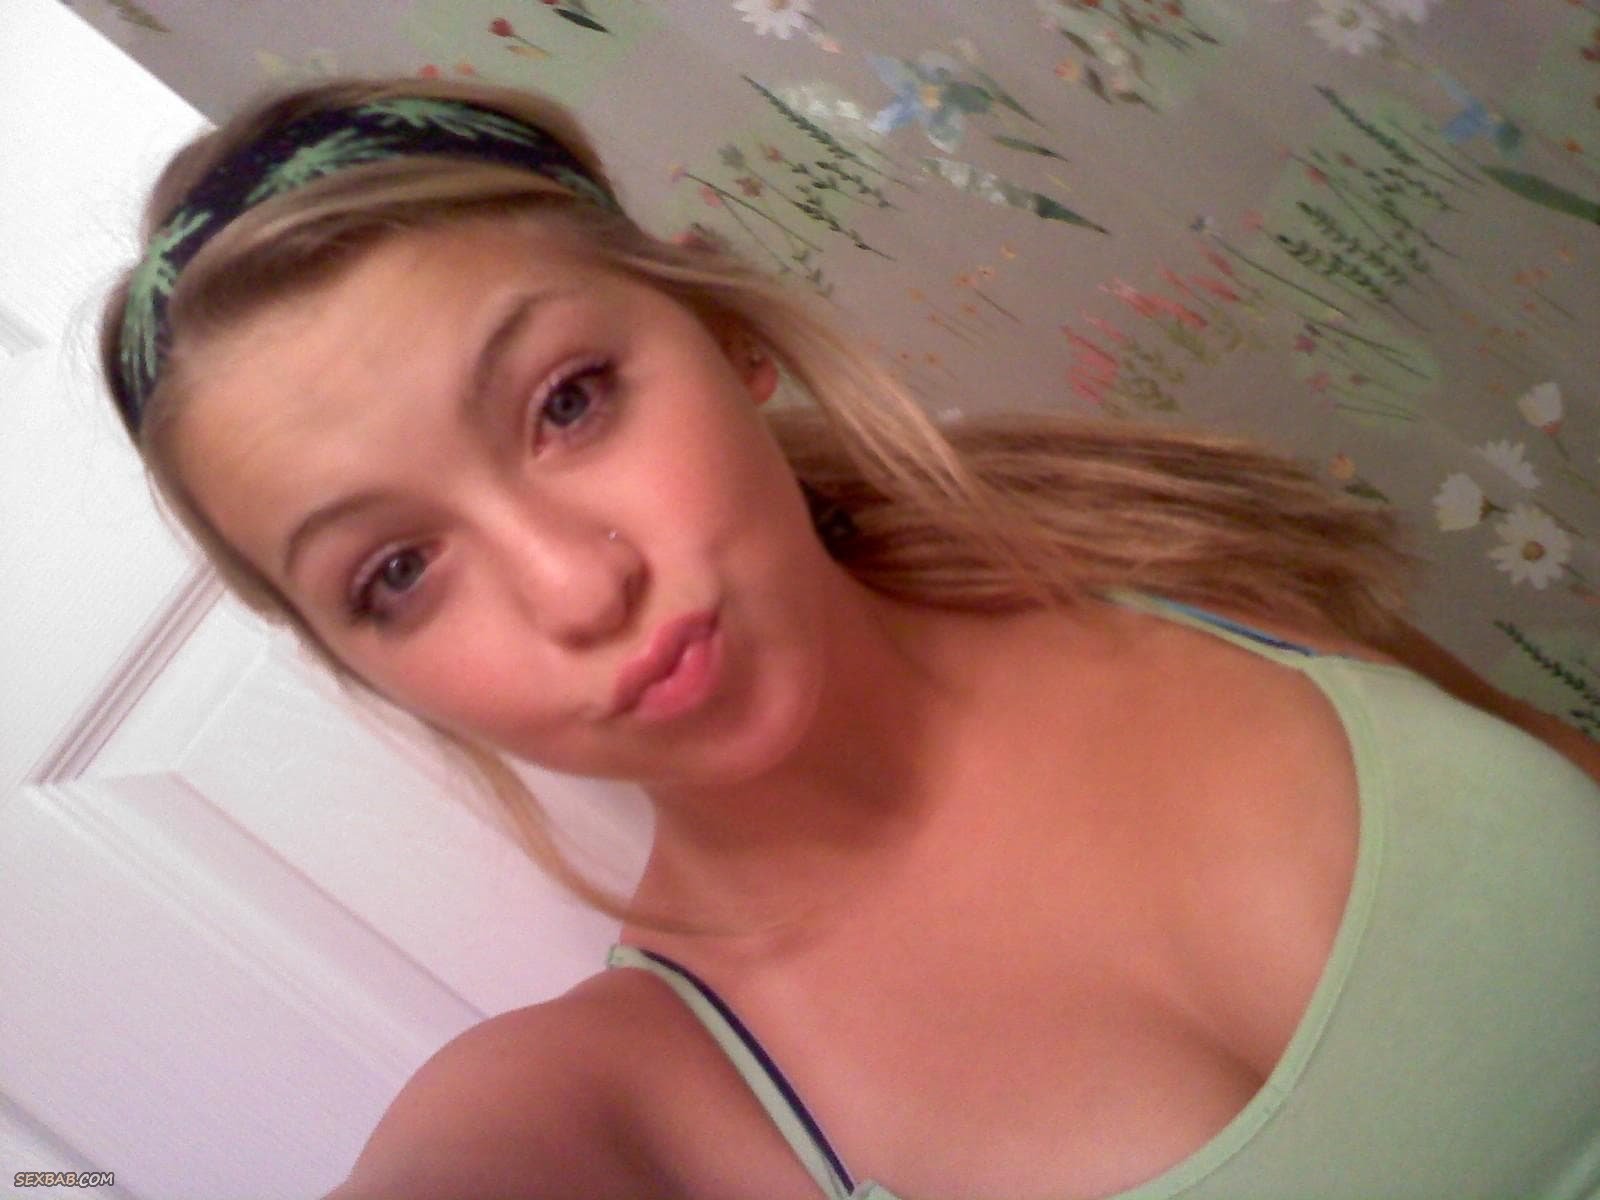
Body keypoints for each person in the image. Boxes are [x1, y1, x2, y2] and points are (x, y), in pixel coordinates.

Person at [100, 76, 1600, 1200]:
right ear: (364, 670)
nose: (574, 588)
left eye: (568, 401)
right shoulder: (645, 1105)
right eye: (399, 572)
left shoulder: (1158, 539)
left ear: (729, 333)